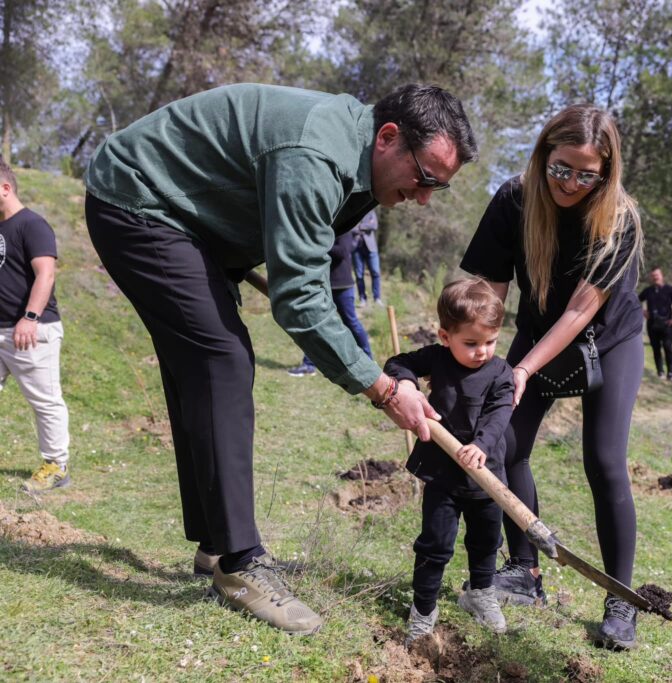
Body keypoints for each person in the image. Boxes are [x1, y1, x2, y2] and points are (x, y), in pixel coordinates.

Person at [83, 83, 475, 635]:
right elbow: (299, 298)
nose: (426, 196)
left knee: (203, 364)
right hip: (140, 201)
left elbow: (304, 257)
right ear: (389, 137)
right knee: (222, 360)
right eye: (426, 177)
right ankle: (241, 564)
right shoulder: (315, 154)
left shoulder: (359, 159)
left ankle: (217, 544)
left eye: (440, 186)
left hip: (196, 226)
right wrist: (382, 388)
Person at [460, 104, 645, 650]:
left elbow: (579, 313)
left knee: (604, 460)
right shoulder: (515, 198)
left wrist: (521, 369)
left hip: (607, 341)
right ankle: (524, 572)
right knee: (503, 444)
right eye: (560, 167)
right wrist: (485, 360)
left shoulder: (620, 220)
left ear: (606, 172)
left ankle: (620, 599)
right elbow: (492, 288)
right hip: (535, 332)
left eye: (586, 174)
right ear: (543, 156)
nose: (569, 183)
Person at [383, 278, 515, 646]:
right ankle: (423, 610)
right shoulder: (437, 358)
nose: (482, 352)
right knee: (436, 544)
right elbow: (397, 363)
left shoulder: (501, 373)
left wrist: (482, 444)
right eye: (471, 343)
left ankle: (479, 593)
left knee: (487, 540)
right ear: (445, 336)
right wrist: (406, 385)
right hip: (442, 476)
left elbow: (500, 412)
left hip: (487, 475)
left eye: (490, 342)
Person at [0, 159, 72, 494]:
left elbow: (47, 273)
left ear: (5, 188)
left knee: (45, 401)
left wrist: (29, 317)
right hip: (0, 331)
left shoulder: (32, 224)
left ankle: (56, 465)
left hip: (32, 332)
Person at [288, 231, 373, 376]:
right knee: (315, 323)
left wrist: (318, 245)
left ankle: (370, 361)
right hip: (322, 284)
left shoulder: (345, 227)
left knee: (351, 323)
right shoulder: (322, 226)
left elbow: (343, 251)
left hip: (342, 286)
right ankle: (309, 365)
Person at [638, 267, 672, 381]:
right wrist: (642, 311)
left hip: (667, 324)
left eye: (657, 275)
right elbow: (636, 300)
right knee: (656, 348)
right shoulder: (648, 290)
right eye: (653, 275)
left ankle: (671, 373)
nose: (655, 277)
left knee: (668, 347)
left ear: (661, 275)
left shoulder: (669, 289)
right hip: (652, 324)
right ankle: (660, 372)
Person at [352, 209, 383, 307]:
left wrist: (360, 226)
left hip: (371, 247)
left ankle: (377, 298)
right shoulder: (351, 212)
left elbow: (374, 225)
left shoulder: (370, 211)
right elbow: (350, 229)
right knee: (359, 275)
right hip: (356, 247)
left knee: (376, 272)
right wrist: (366, 226)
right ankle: (362, 299)